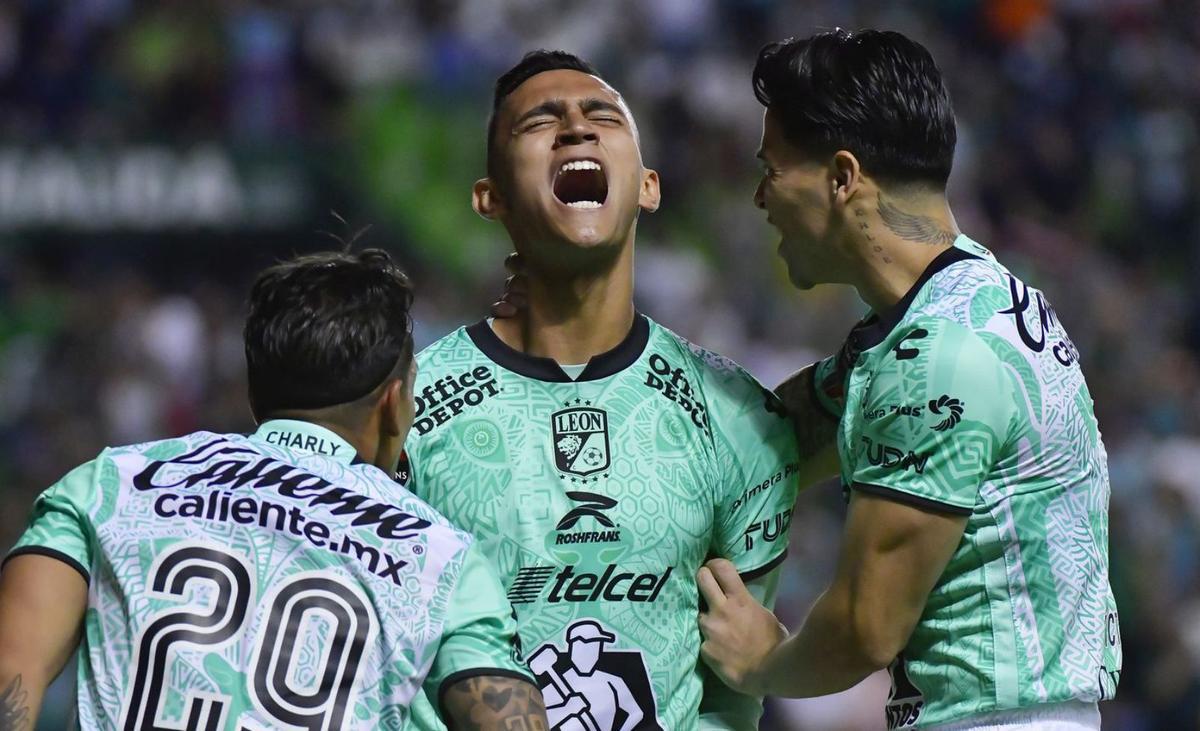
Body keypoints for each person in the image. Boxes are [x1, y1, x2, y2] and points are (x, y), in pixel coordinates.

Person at [696, 29, 1122, 731]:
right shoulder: (967, 298)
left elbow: (866, 625)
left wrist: (764, 660)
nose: (759, 196)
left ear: (842, 177)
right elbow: (780, 436)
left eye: (772, 168)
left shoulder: (936, 355)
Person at [400, 51, 804, 731]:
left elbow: (734, 689)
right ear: (489, 197)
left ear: (648, 185)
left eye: (601, 117)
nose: (576, 130)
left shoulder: (736, 417)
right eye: (540, 121)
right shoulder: (406, 409)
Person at [0, 248, 548, 731]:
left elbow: (11, 666)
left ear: (255, 393)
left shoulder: (112, 483)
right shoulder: (440, 556)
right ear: (393, 403)